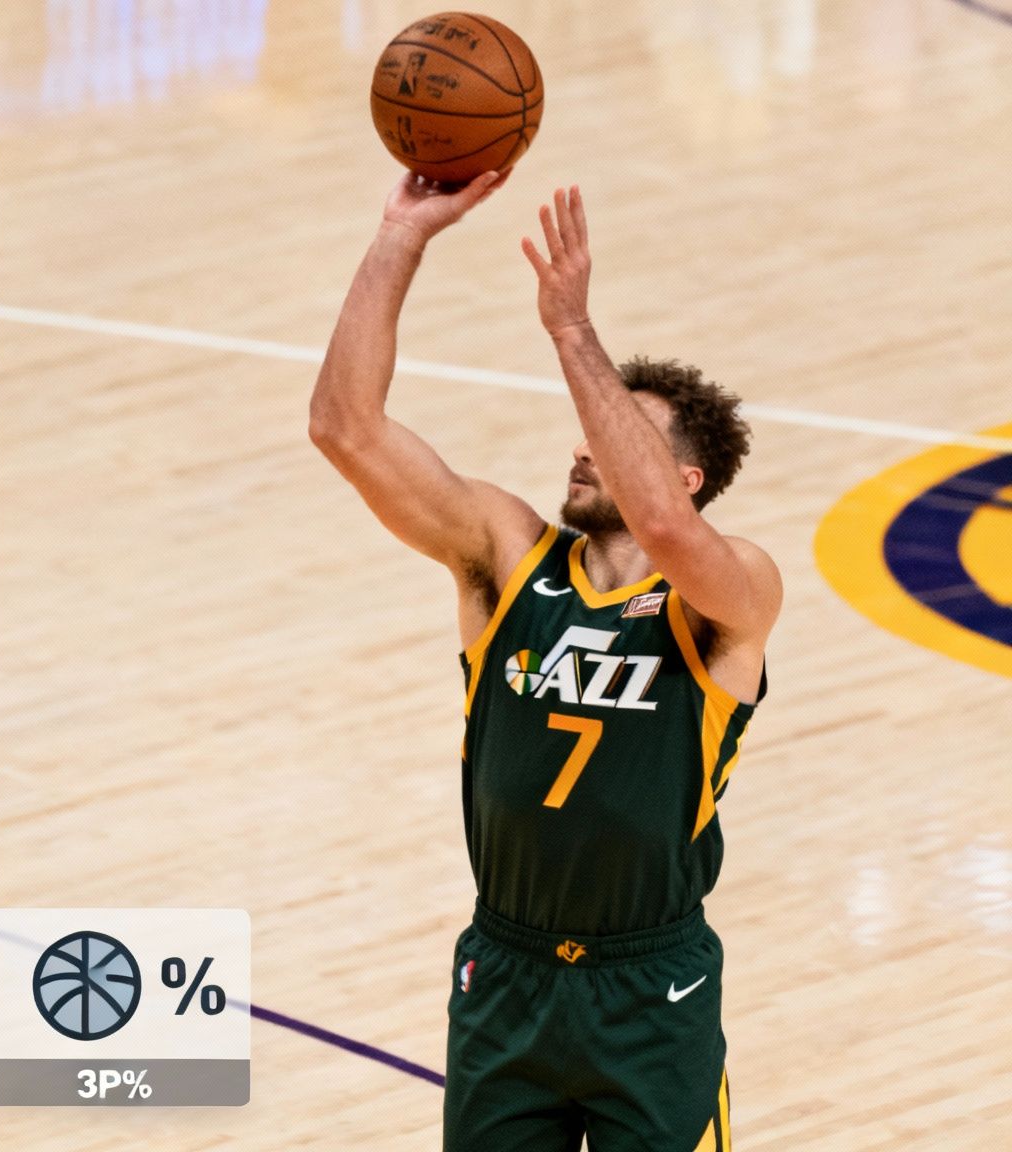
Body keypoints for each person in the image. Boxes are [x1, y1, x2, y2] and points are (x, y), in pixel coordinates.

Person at [308, 171, 780, 1152]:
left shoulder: (730, 594)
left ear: (684, 476)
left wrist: (571, 332)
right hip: (504, 970)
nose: (580, 444)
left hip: (650, 988)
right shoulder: (506, 559)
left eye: (617, 433)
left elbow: (660, 524)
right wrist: (400, 234)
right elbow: (342, 429)